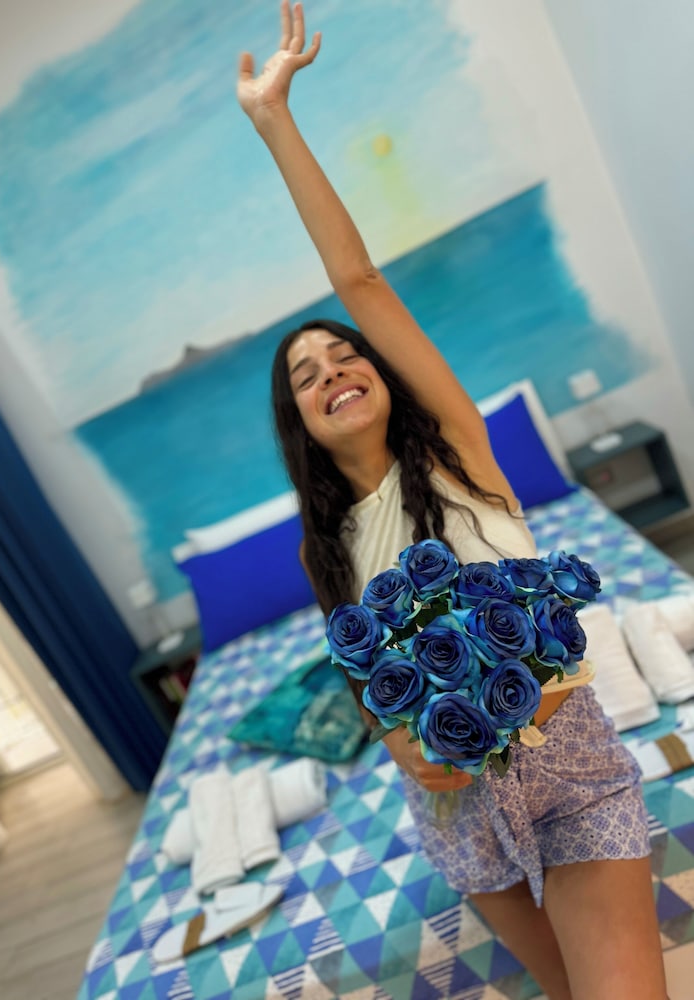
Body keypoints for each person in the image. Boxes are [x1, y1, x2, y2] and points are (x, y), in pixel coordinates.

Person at [237, 5, 668, 998]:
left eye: (346, 355)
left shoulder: (460, 452)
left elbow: (358, 277)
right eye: (308, 374)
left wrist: (274, 122)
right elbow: (362, 668)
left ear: (381, 375)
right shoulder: (322, 547)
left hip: (567, 765)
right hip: (453, 811)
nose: (334, 370)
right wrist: (399, 742)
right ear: (300, 420)